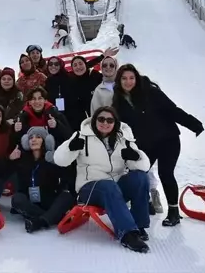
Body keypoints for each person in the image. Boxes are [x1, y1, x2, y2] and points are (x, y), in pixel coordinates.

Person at [112, 64, 204, 227]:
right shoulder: (118, 101)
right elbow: (121, 128)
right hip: (146, 144)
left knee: (166, 173)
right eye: (124, 78)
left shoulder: (150, 92)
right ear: (119, 81)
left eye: (131, 78)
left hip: (168, 139)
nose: (128, 82)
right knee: (139, 173)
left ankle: (174, 213)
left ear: (137, 78)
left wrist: (193, 123)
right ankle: (143, 205)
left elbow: (172, 110)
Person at [54, 106, 151, 253]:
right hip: (89, 189)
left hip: (114, 189)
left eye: (109, 120)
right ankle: (128, 233)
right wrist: (70, 148)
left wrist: (137, 157)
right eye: (101, 119)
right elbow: (60, 160)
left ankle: (139, 225)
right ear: (94, 120)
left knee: (140, 177)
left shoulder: (123, 139)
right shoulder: (82, 136)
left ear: (115, 123)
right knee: (107, 186)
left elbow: (143, 167)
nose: (105, 123)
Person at [11, 127, 75, 233]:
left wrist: (55, 161)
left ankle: (40, 221)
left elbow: (68, 176)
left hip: (48, 199)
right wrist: (10, 159)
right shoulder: (22, 160)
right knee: (17, 199)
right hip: (30, 202)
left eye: (38, 137)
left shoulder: (53, 158)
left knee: (67, 196)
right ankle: (52, 217)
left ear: (46, 141)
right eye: (31, 137)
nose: (33, 139)